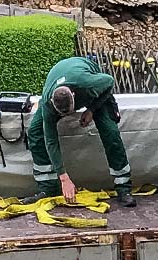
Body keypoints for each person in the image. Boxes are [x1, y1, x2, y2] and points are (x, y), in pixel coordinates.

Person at [28, 56, 133, 207]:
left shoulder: (88, 83)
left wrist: (91, 109)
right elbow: (51, 140)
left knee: (110, 132)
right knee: (35, 132)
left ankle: (124, 188)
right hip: (61, 77)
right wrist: (64, 178)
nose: (67, 117)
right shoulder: (47, 103)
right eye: (62, 115)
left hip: (88, 84)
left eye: (69, 112)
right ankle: (49, 188)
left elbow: (109, 81)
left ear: (74, 97)